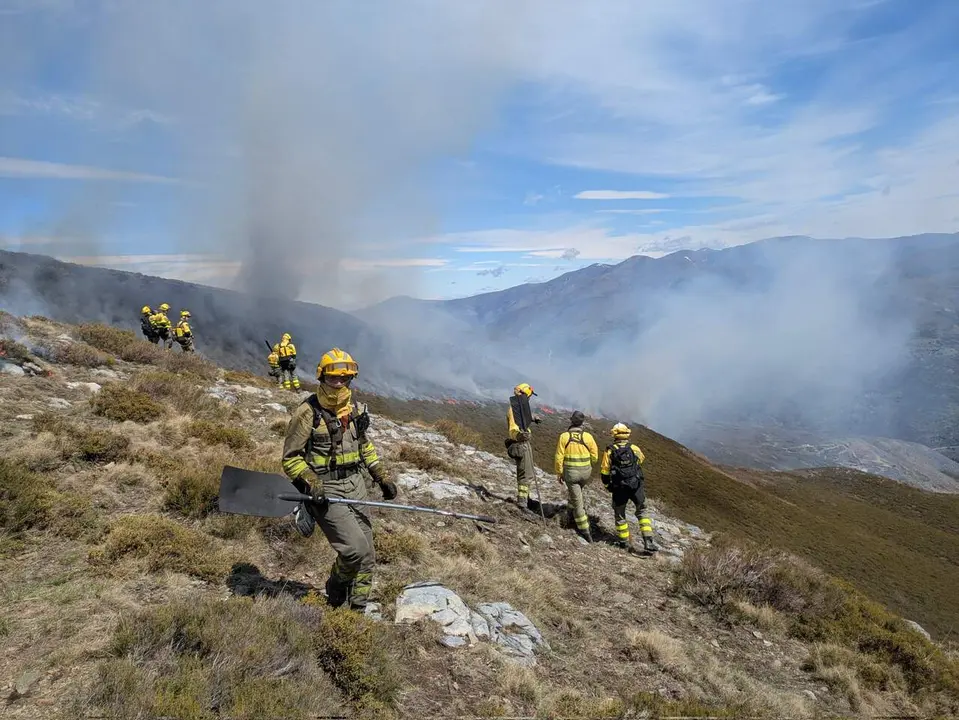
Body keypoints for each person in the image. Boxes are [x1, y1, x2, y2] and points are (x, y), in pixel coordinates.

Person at [281, 347, 397, 612]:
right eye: (333, 377)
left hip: (356, 485)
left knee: (367, 555)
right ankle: (335, 588)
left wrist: (381, 477)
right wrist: (312, 482)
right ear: (322, 377)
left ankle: (356, 612)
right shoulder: (307, 412)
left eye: (344, 378)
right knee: (354, 549)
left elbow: (365, 446)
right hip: (326, 489)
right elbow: (290, 458)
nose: (338, 383)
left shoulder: (355, 409)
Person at [600, 423, 658, 554]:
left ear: (614, 434)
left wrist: (608, 486)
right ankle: (648, 541)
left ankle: (623, 542)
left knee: (620, 514)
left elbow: (604, 471)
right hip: (635, 486)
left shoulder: (610, 450)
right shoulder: (634, 448)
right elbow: (641, 460)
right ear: (627, 434)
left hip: (619, 488)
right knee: (642, 511)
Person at [554, 410, 599, 542]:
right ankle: (570, 514)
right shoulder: (588, 437)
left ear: (571, 421)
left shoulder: (564, 437)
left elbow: (558, 457)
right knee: (576, 495)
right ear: (582, 422)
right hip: (586, 474)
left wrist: (559, 472)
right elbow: (595, 457)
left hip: (571, 474)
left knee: (578, 503)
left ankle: (585, 531)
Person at [505, 382, 541, 505]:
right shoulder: (514, 409)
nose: (530, 398)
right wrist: (520, 436)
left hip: (525, 444)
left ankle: (526, 498)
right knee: (524, 474)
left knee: (528, 472)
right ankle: (522, 502)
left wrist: (533, 417)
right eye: (529, 396)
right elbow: (513, 429)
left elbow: (524, 417)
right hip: (521, 444)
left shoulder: (518, 407)